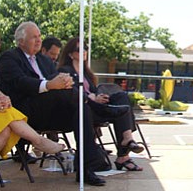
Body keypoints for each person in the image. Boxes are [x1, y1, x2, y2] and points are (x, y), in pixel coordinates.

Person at [0, 22, 107, 186]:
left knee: (81, 111)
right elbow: (21, 82)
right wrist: (48, 85)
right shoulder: (10, 57)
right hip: (26, 112)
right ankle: (101, 111)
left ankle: (85, 169)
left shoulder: (44, 60)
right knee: (78, 102)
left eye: (39, 36)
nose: (39, 40)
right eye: (34, 37)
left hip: (53, 110)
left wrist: (65, 81)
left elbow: (57, 79)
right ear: (21, 41)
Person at [0, 15, 64, 191]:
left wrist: (2, 97)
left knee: (5, 128)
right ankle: (38, 140)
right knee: (2, 115)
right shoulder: (6, 57)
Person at [57, 37, 144, 171]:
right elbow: (70, 93)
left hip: (96, 107)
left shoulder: (86, 73)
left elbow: (93, 91)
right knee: (120, 110)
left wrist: (98, 96)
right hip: (81, 110)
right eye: (80, 49)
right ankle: (124, 155)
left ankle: (127, 141)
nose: (84, 51)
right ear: (70, 54)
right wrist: (90, 98)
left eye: (86, 48)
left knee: (121, 98)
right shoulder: (65, 71)